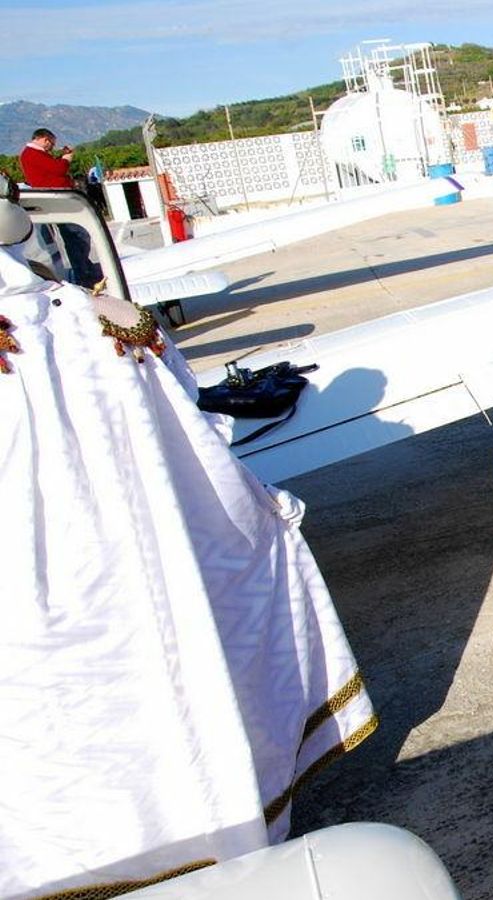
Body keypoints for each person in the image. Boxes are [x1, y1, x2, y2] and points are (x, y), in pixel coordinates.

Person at [0, 186, 375, 896]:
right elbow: (199, 439)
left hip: (36, 598)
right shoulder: (112, 320)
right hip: (150, 563)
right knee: (181, 692)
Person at [18, 128, 102, 287]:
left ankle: (85, 269)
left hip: (56, 199)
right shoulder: (32, 154)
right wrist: (66, 159)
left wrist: (60, 158)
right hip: (60, 201)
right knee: (76, 236)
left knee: (76, 237)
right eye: (51, 143)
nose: (52, 147)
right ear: (45, 139)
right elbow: (58, 170)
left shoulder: (32, 154)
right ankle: (83, 274)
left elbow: (49, 169)